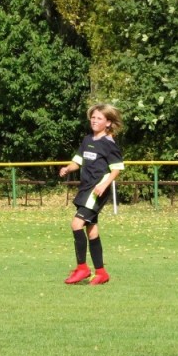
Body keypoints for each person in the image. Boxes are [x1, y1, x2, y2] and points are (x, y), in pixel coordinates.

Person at [59, 103, 125, 285]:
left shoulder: (109, 144)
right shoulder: (87, 140)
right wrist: (68, 168)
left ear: (108, 123)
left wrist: (104, 184)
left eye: (99, 118)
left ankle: (82, 268)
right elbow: (78, 161)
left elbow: (116, 169)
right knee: (91, 230)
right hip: (85, 189)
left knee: (76, 224)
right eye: (93, 117)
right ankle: (101, 273)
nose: (94, 121)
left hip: (96, 190)